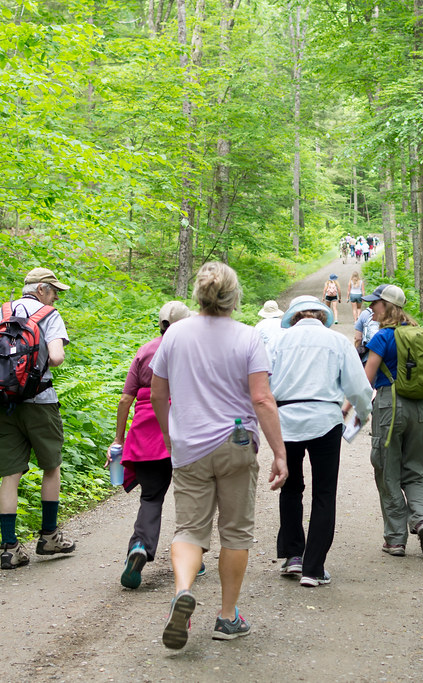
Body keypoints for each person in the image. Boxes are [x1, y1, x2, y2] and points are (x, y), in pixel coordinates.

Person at [150, 261, 288, 648]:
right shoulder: (248, 337)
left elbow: (158, 393)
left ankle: (182, 591)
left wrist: (169, 434)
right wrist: (280, 453)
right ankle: (227, 617)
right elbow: (261, 398)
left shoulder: (175, 334)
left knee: (188, 530)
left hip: (189, 446)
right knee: (236, 532)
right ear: (235, 296)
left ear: (198, 293)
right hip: (236, 443)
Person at [270, 296, 373, 587]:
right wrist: (362, 413)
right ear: (321, 316)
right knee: (324, 494)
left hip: (286, 420)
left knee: (290, 488)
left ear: (294, 317)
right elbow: (358, 386)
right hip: (325, 420)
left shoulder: (279, 342)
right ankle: (313, 568)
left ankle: (293, 556)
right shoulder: (337, 341)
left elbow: (263, 384)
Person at [0, 267, 76, 570]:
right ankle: (49, 536)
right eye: (55, 291)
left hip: (2, 403)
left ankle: (9, 547)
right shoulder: (49, 315)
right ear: (42, 289)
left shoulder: (2, 312)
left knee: (10, 475)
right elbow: (57, 357)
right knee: (51, 467)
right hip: (40, 403)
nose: (57, 296)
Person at [113, 301, 195, 590]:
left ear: (160, 324)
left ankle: (139, 547)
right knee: (192, 498)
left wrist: (118, 440)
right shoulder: (191, 350)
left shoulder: (145, 351)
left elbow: (126, 399)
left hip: (146, 434)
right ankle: (193, 555)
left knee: (151, 497)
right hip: (183, 429)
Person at [360, 284, 423, 558]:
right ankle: (422, 520)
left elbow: (366, 379)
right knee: (415, 472)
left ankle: (395, 539)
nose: (371, 307)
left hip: (390, 407)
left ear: (387, 306)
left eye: (375, 303)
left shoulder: (383, 337)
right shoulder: (421, 334)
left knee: (387, 472)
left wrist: (350, 407)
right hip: (420, 409)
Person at [354, 284, 383, 365]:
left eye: (374, 302)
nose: (370, 306)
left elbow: (358, 338)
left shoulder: (365, 314)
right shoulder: (401, 323)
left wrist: (357, 357)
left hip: (367, 359)